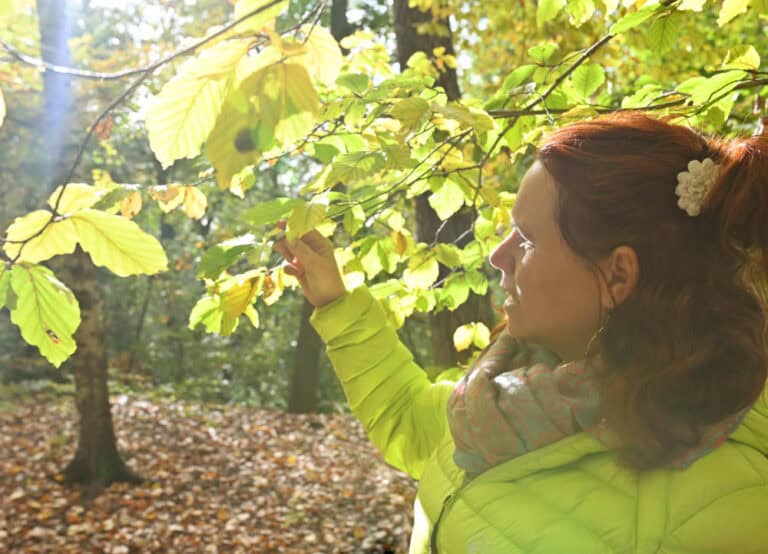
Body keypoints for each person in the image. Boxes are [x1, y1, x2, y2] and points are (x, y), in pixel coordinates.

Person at [275, 113, 768, 553]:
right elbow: (411, 420)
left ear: (618, 276)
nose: (498, 255)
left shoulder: (722, 513)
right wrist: (336, 302)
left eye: (527, 240)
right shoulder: (510, 391)